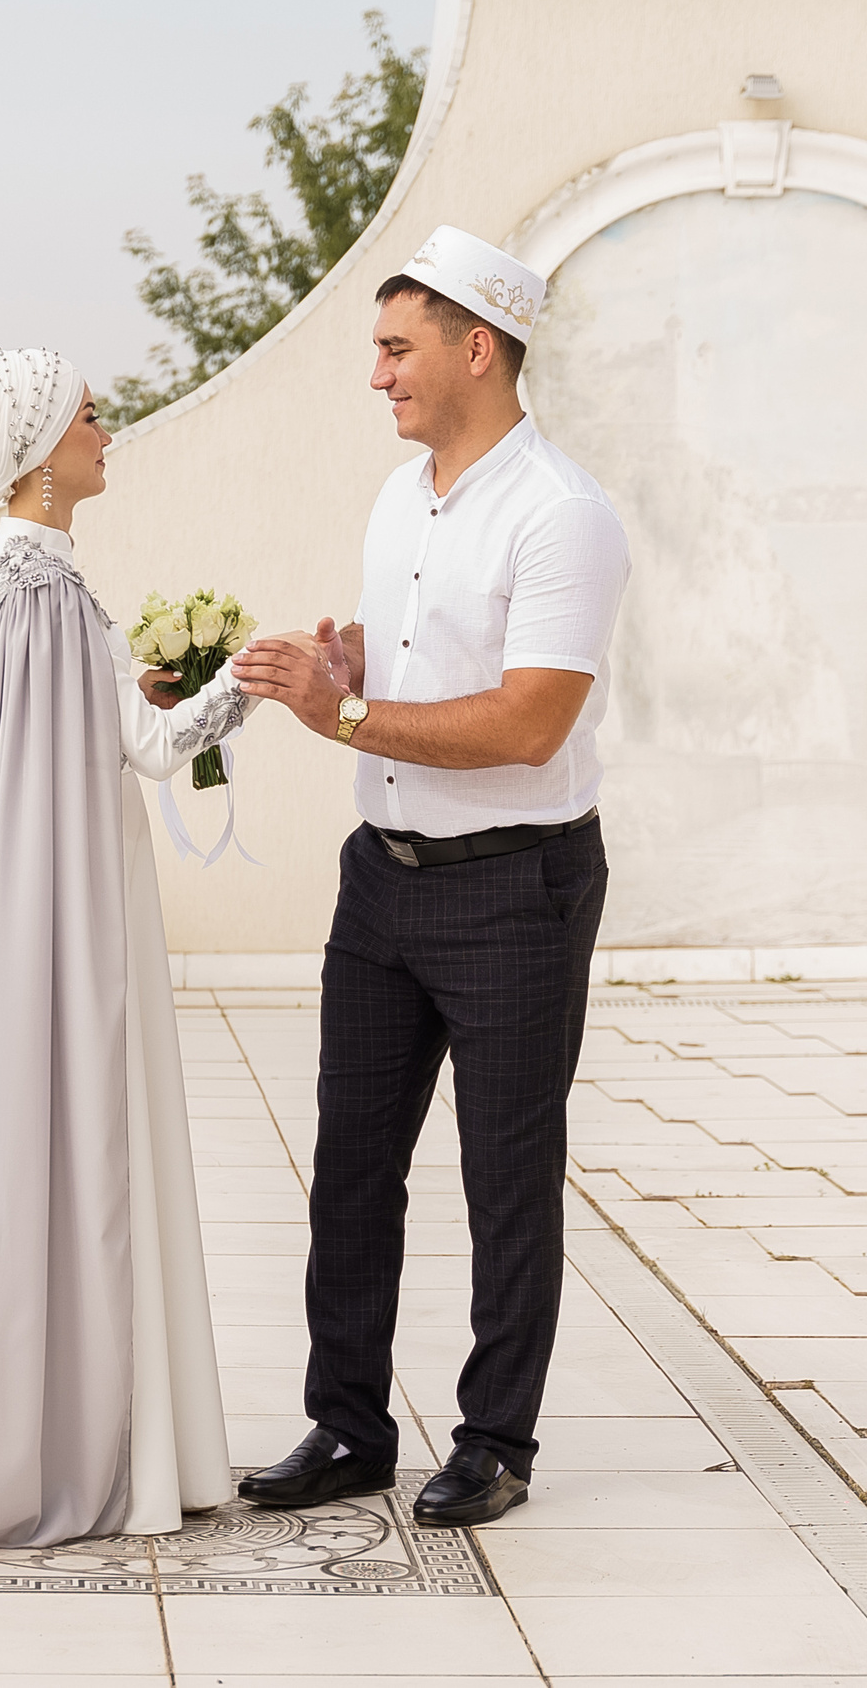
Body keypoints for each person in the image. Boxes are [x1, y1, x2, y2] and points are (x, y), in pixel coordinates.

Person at [229, 227, 630, 1527]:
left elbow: (526, 724)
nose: (378, 376)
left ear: (477, 348)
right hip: (383, 877)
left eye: (397, 348)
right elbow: (415, 677)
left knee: (506, 1175)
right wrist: (350, 672)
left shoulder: (563, 516)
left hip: (515, 887)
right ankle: (347, 1427)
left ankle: (495, 1439)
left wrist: (338, 719)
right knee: (352, 1161)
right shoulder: (401, 497)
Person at [0, 349, 247, 1550]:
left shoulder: (35, 582)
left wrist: (152, 688)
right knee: (97, 1140)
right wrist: (254, 683)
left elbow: (97, 738)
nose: (106, 429)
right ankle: (87, 1451)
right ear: (38, 453)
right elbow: (139, 756)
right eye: (89, 415)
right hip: (76, 918)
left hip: (67, 903)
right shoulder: (36, 588)